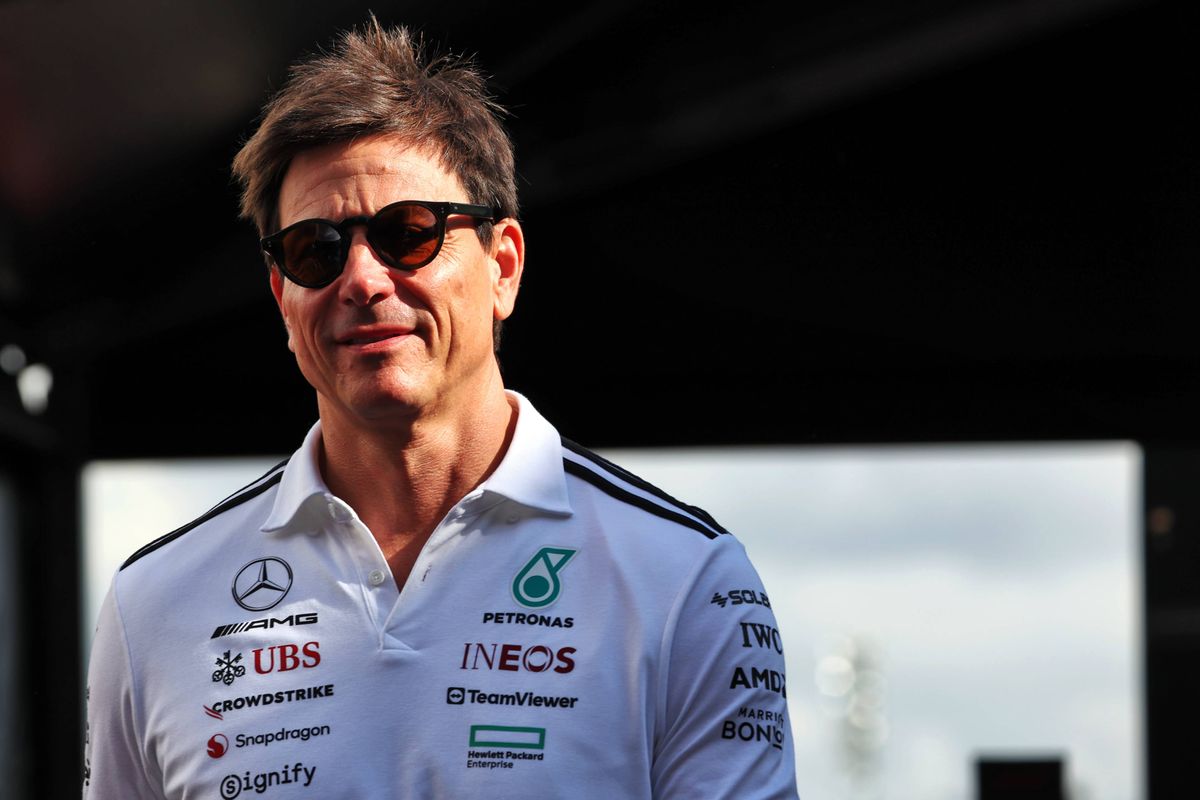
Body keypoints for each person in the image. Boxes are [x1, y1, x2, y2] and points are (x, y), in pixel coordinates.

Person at [83, 18, 798, 799]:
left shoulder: (685, 580)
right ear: (283, 297)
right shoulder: (154, 605)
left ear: (503, 267)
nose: (362, 279)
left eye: (408, 233)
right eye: (316, 249)